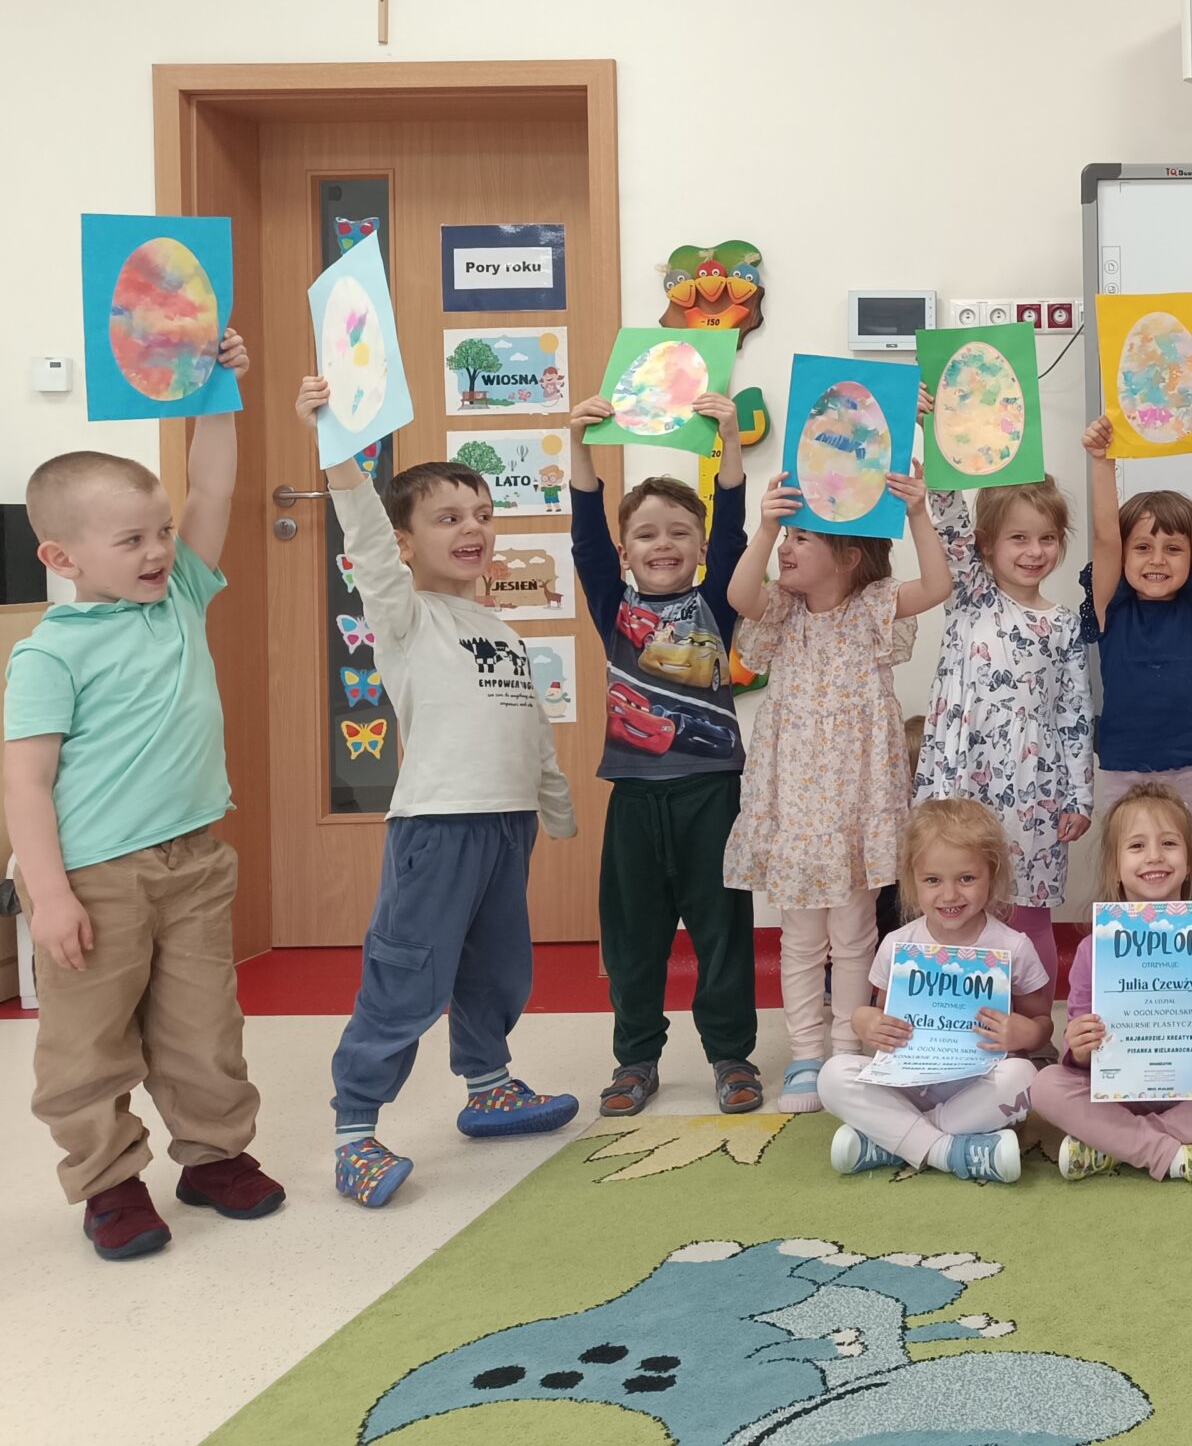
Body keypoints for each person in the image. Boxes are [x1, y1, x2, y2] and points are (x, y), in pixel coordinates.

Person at [5, 330, 283, 1259]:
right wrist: (49, 896)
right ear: (63, 556)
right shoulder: (48, 652)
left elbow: (213, 489)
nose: (160, 549)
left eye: (161, 532)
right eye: (132, 540)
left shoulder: (180, 597)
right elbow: (25, 781)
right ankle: (110, 1182)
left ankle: (214, 1157)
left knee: (205, 1028)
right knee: (88, 1044)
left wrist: (216, 392)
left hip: (195, 860)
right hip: (95, 877)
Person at [298, 376, 580, 1209]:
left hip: (506, 825)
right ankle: (355, 1131)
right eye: (449, 518)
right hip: (438, 826)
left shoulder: (501, 628)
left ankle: (488, 1086)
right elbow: (364, 541)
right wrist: (337, 454)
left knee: (497, 968)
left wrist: (551, 798)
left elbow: (528, 721)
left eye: (483, 515)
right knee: (410, 976)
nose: (473, 530)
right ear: (406, 543)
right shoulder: (405, 615)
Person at [724, 465, 950, 1115]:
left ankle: (848, 1048)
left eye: (802, 538)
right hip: (797, 807)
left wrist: (917, 512)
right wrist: (765, 525)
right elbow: (740, 592)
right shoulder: (780, 610)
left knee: (854, 935)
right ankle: (805, 1053)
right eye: (787, 537)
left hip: (857, 804)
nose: (787, 548)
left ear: (849, 557)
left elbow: (938, 585)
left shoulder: (873, 607)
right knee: (801, 939)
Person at [566, 390, 760, 1119]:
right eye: (646, 534)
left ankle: (731, 1055)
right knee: (633, 939)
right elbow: (585, 537)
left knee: (722, 931)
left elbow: (734, 524)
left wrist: (730, 439)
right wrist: (580, 446)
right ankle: (636, 1058)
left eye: (680, 532)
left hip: (712, 794)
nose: (663, 543)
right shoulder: (613, 607)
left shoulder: (718, 601)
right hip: (635, 795)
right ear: (626, 553)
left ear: (701, 549)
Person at [1028, 784, 1192, 1184]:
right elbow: (1078, 1050)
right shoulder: (1095, 947)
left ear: (1189, 862)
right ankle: (1178, 1157)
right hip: (1116, 1095)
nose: (1155, 856)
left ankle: (1114, 1147)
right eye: (1137, 846)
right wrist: (1080, 1045)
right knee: (1045, 1086)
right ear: (1115, 867)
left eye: (1169, 843)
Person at [911, 467, 1091, 986]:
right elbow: (949, 521)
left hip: (1036, 789)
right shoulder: (971, 593)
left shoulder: (1064, 622)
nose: (1035, 551)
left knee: (1028, 913)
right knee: (956, 903)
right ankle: (952, 1017)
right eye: (1019, 538)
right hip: (961, 777)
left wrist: (1079, 797)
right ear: (986, 543)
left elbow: (1075, 712)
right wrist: (937, 449)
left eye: (1047, 538)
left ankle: (1033, 1022)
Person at [819, 795, 1053, 1183]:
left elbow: (1042, 1023)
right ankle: (948, 1150)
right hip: (908, 1085)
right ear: (912, 881)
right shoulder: (897, 945)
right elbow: (883, 1016)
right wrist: (864, 1022)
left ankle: (891, 1141)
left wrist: (1025, 1033)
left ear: (991, 875)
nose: (949, 895)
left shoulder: (1013, 947)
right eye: (932, 880)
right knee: (833, 1074)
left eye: (966, 878)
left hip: (977, 1087)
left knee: (1026, 1075)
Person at [1081, 412, 1192, 896]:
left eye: (1173, 549)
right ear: (1124, 556)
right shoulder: (1109, 607)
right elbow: (1105, 536)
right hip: (1123, 773)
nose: (1157, 559)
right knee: (1126, 892)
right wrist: (1101, 461)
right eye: (1143, 548)